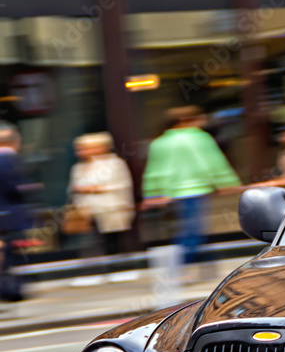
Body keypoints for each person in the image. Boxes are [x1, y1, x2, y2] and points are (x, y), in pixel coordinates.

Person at [141, 106, 242, 267]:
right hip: (197, 189)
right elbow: (213, 162)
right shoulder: (200, 138)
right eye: (197, 119)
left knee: (187, 228)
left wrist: (152, 193)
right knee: (194, 229)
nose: (200, 122)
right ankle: (183, 265)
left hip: (172, 192)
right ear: (185, 121)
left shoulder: (159, 143)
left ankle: (195, 265)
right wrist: (227, 183)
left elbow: (154, 170)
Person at [67, 132, 135, 257]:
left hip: (110, 210)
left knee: (113, 243)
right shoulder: (78, 167)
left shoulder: (114, 163)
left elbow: (122, 185)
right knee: (93, 244)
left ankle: (118, 267)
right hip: (87, 213)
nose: (81, 152)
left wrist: (95, 189)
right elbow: (74, 188)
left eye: (86, 148)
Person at [0, 125, 34, 303]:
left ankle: (10, 288)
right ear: (15, 141)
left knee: (8, 254)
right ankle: (10, 290)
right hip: (9, 216)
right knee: (10, 254)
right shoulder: (9, 160)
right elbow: (17, 188)